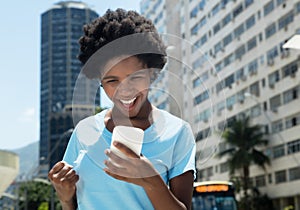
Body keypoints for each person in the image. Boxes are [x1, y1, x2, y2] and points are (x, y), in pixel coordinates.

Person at [48, 8, 196, 210]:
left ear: (151, 74)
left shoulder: (178, 132)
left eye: (135, 77)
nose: (124, 90)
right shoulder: (84, 131)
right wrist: (65, 198)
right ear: (100, 82)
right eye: (112, 80)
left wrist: (150, 180)